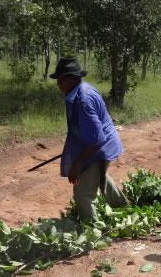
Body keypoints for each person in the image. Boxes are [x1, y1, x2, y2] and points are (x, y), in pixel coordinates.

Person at [51, 57, 129, 222]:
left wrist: (77, 165)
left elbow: (97, 139)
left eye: (61, 79)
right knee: (99, 176)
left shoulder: (83, 100)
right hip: (101, 143)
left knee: (82, 191)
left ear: (72, 78)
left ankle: (91, 231)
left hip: (100, 147)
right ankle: (123, 206)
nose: (58, 83)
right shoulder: (78, 91)